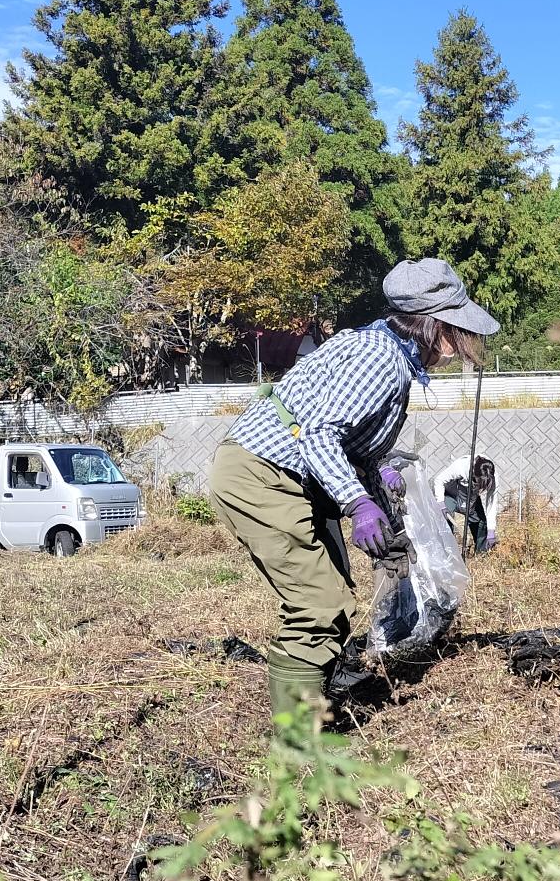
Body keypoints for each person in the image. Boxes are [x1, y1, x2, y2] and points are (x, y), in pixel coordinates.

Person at [210, 259, 499, 714]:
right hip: (263, 474)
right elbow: (319, 434)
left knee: (336, 589)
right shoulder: (381, 360)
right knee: (318, 602)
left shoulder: (388, 350)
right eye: (455, 327)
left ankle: (324, 694)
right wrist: (358, 503)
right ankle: (296, 734)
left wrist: (379, 491)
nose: (461, 342)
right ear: (432, 326)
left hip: (293, 475)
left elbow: (348, 442)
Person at [434, 454, 499, 552]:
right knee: (444, 519)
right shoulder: (461, 466)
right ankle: (447, 551)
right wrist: (441, 503)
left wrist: (491, 531)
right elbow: (439, 480)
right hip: (453, 493)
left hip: (472, 497)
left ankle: (481, 554)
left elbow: (491, 503)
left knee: (480, 522)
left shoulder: (492, 477)